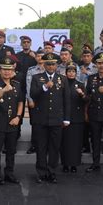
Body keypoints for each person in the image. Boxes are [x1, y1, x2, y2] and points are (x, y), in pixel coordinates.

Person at [30, 53, 70, 184]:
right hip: (41, 119)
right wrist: (44, 87)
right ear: (44, 65)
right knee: (41, 147)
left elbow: (66, 100)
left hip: (56, 119)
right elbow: (33, 95)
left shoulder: (62, 79)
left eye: (53, 64)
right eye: (48, 64)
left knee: (54, 147)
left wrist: (66, 118)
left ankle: (52, 172)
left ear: (56, 65)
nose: (51, 66)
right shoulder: (37, 78)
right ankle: (41, 172)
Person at [0, 57, 24, 185]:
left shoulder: (17, 85)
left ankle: (9, 173)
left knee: (11, 150)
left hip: (12, 122)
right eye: (4, 69)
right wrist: (3, 90)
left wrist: (18, 117)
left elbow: (20, 102)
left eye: (9, 69)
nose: (7, 72)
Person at [60, 63, 86, 174]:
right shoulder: (61, 84)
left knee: (76, 143)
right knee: (64, 143)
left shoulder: (80, 84)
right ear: (66, 73)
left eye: (73, 71)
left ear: (76, 73)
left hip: (77, 118)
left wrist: (82, 94)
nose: (71, 73)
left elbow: (86, 100)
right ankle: (65, 164)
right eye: (69, 71)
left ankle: (74, 165)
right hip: (64, 118)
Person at [25, 48, 46, 154]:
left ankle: (44, 145)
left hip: (46, 101)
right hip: (34, 101)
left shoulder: (50, 68)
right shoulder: (31, 70)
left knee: (46, 123)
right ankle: (34, 145)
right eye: (38, 56)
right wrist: (30, 100)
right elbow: (28, 86)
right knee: (35, 124)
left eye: (42, 56)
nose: (40, 58)